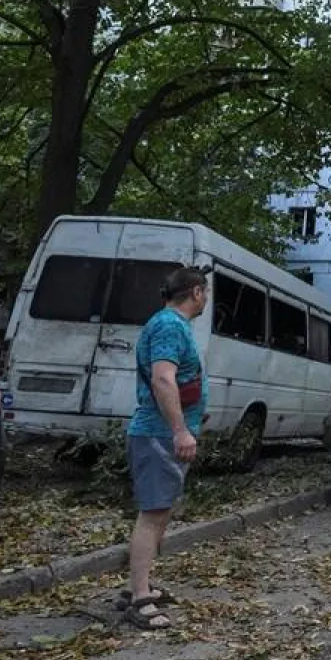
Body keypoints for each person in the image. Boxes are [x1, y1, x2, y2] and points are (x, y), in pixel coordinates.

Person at [122, 265, 210, 630]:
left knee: (160, 511)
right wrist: (180, 431)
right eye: (205, 292)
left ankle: (140, 587)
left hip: (163, 432)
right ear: (195, 292)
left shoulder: (169, 324)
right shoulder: (170, 326)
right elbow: (162, 378)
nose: (206, 299)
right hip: (158, 434)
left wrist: (191, 418)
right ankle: (139, 598)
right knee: (153, 513)